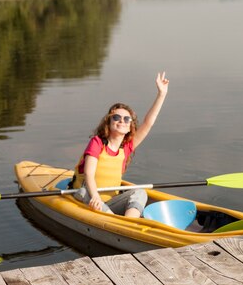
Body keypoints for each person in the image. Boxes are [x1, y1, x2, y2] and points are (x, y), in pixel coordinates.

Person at [71, 72, 170, 218]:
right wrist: (96, 197)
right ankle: (117, 223)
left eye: (126, 119)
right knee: (86, 192)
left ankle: (130, 223)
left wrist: (162, 94)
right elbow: (89, 174)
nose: (121, 121)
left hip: (110, 202)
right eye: (116, 118)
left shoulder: (127, 147)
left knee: (140, 192)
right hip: (89, 196)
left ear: (131, 126)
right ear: (109, 123)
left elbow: (149, 122)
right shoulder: (97, 142)